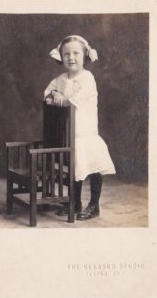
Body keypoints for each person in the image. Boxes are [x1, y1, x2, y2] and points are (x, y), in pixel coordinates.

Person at [44, 35, 116, 221]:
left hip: (85, 132)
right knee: (75, 169)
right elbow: (47, 92)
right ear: (61, 57)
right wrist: (54, 92)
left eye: (76, 53)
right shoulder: (60, 79)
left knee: (91, 167)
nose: (71, 57)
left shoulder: (87, 78)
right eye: (66, 54)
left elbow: (76, 100)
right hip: (69, 133)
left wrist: (62, 99)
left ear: (85, 56)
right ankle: (75, 202)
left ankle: (94, 205)